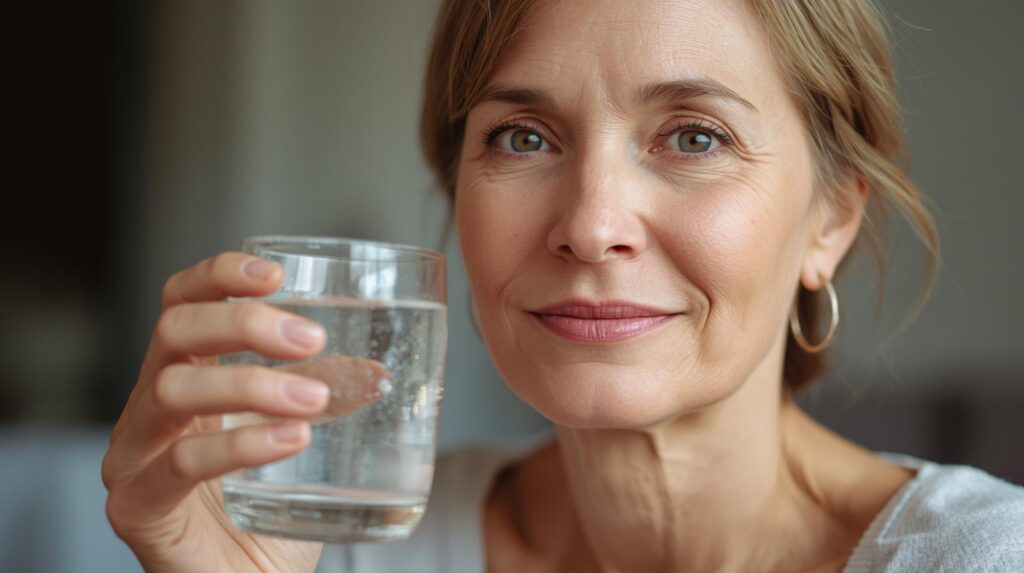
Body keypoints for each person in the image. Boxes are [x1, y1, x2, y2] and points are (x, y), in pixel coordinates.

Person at [103, 0, 1024, 571]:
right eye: (523, 137)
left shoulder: (978, 559)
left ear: (830, 218)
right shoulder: (342, 543)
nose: (590, 222)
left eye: (694, 136)